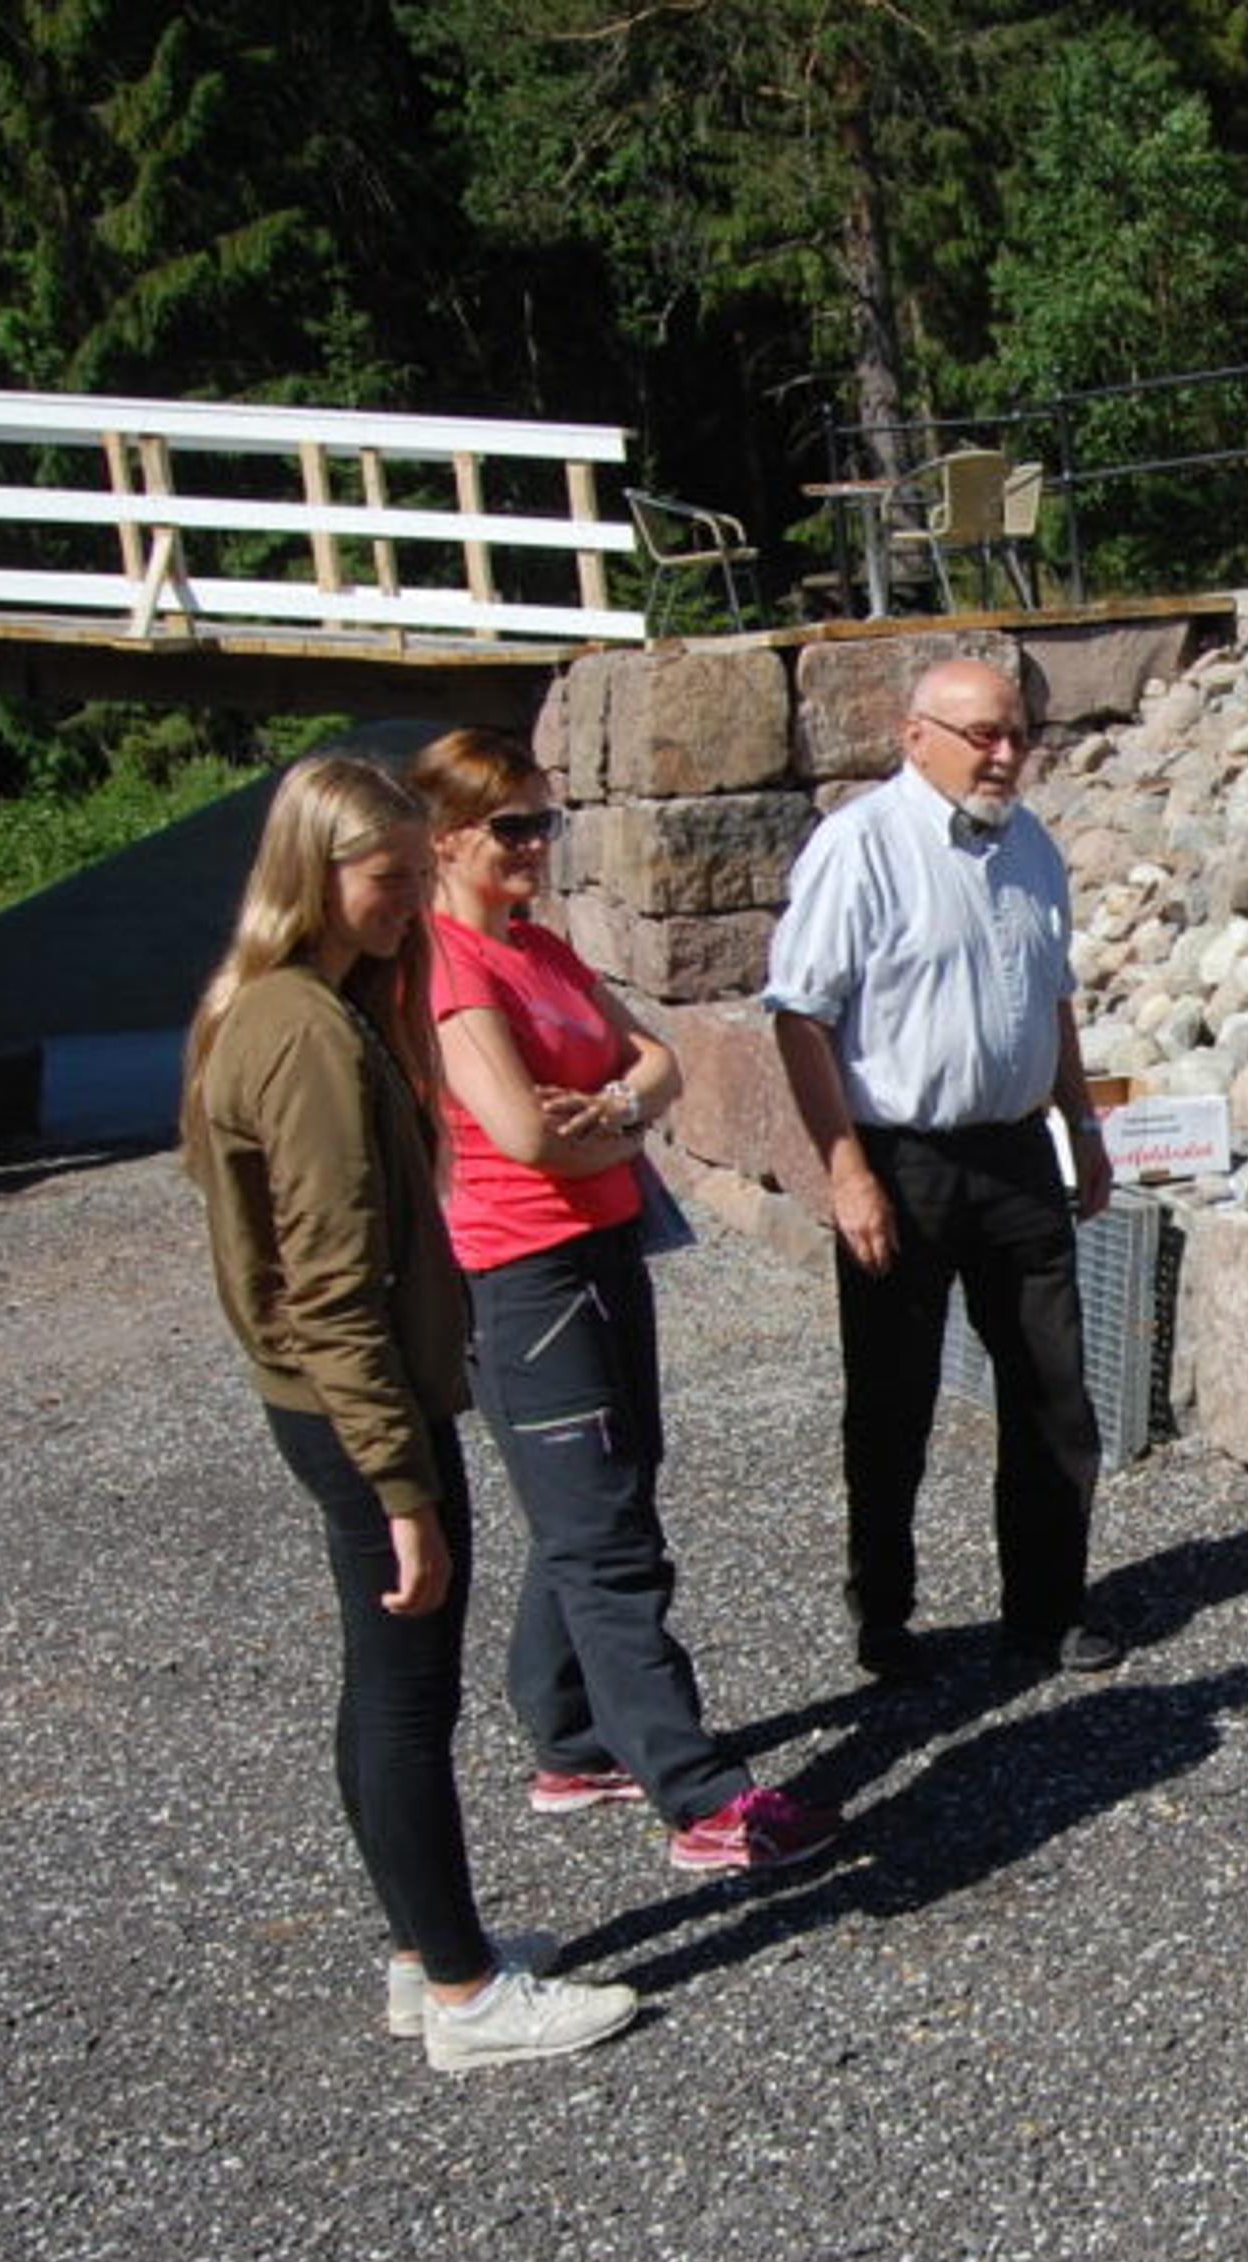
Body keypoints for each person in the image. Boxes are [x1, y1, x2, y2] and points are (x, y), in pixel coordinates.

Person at [183, 755, 637, 2074]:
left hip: (340, 1399)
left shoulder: (289, 1004)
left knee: (387, 1685)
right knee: (405, 1695)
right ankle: (463, 1993)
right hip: (360, 1405)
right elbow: (331, 1286)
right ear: (315, 874)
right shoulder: (304, 1034)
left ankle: (419, 1952)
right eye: (387, 878)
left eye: (411, 873)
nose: (406, 901)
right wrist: (401, 1487)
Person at [414, 728, 834, 1876]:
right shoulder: (448, 967)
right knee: (608, 1539)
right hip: (525, 1274)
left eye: (544, 822)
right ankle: (700, 1796)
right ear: (444, 837)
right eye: (512, 827)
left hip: (597, 1250)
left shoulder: (537, 948)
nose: (536, 845)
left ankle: (567, 1738)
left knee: (606, 1493)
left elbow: (658, 1062)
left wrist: (605, 1108)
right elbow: (522, 1135)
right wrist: (615, 1118)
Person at [765, 657, 1120, 1680]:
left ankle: (1047, 1608)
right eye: (982, 736)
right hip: (902, 1158)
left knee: (1054, 1390)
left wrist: (1082, 1124)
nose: (1005, 754)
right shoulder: (862, 846)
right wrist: (846, 1172)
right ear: (913, 734)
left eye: (1018, 734)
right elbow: (801, 1016)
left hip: (1015, 1152)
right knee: (893, 1400)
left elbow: (1053, 996)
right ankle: (884, 1613)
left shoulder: (1032, 844)